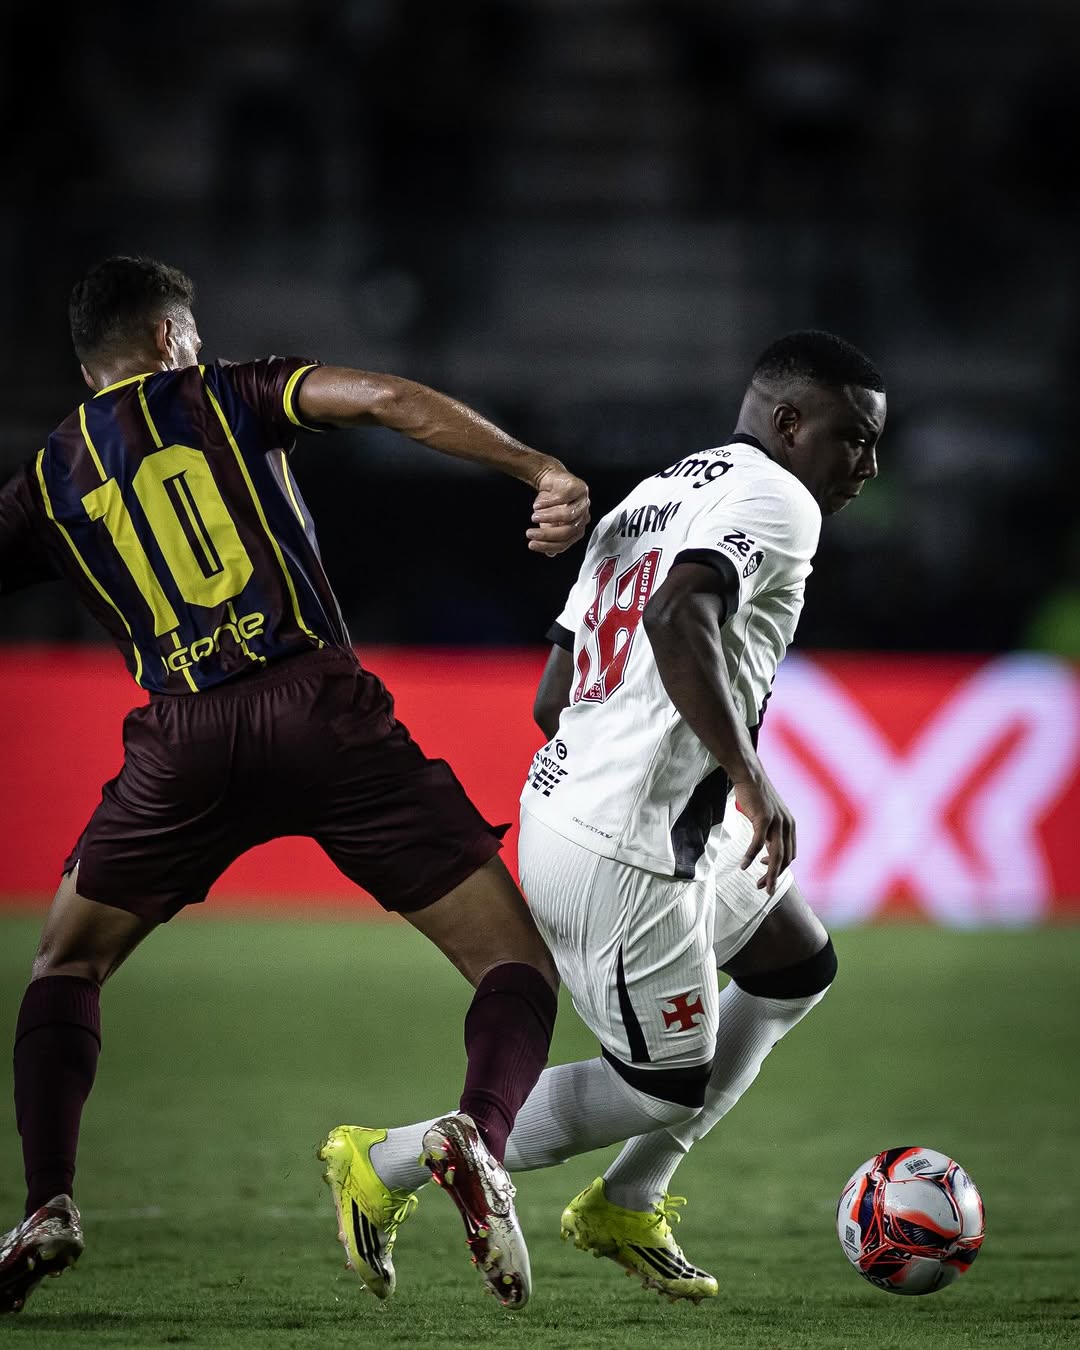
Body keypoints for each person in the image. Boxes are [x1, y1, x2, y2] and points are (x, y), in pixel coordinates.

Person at [0, 255, 591, 1315]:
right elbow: (387, 400)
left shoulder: (47, 480)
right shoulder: (223, 392)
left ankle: (47, 1202)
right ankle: (477, 1135)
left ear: (87, 367)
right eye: (192, 334)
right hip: (320, 714)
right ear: (171, 338)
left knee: (65, 965)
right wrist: (533, 465)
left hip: (181, 744)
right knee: (514, 962)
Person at [321, 331, 885, 1303]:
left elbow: (553, 696)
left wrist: (660, 765)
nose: (868, 465)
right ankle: (384, 1160)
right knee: (660, 1086)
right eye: (855, 438)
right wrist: (747, 773)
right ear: (791, 423)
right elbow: (675, 617)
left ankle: (630, 1199)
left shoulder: (650, 497)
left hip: (621, 811)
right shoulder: (782, 500)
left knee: (795, 965)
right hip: (628, 848)